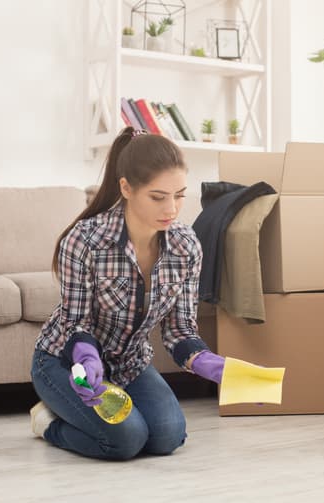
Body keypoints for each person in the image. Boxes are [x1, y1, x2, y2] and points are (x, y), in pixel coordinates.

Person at [29, 127, 226, 460]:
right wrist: (87, 359)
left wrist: (208, 362)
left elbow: (180, 330)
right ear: (127, 188)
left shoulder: (186, 246)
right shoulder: (85, 240)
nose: (172, 209)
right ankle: (48, 422)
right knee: (126, 440)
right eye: (158, 196)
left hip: (129, 364)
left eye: (179, 195)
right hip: (66, 363)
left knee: (168, 438)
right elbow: (76, 323)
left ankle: (88, 414)